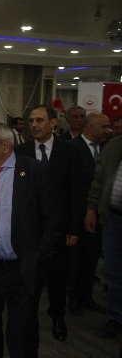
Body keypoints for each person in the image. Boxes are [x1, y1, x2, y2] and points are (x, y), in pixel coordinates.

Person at [0, 121, 61, 358]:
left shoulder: (35, 172)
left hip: (21, 267)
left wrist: (40, 259)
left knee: (22, 333)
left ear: (6, 145)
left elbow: (53, 219)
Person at [15, 105, 83, 341]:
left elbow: (76, 191)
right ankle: (26, 319)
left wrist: (74, 228)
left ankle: (57, 316)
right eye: (32, 121)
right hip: (29, 229)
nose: (34, 125)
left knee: (57, 277)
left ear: (53, 123)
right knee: (29, 278)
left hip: (58, 228)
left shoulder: (70, 151)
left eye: (40, 120)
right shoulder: (21, 151)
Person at [68, 113, 111, 315]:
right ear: (91, 127)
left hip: (99, 214)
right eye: (104, 126)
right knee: (76, 259)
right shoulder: (71, 148)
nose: (108, 130)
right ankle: (73, 298)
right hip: (77, 214)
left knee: (91, 257)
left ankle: (87, 295)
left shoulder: (107, 148)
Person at [85, 135, 122, 339]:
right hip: (113, 218)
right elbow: (98, 179)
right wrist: (92, 208)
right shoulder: (114, 145)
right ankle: (117, 316)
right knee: (113, 270)